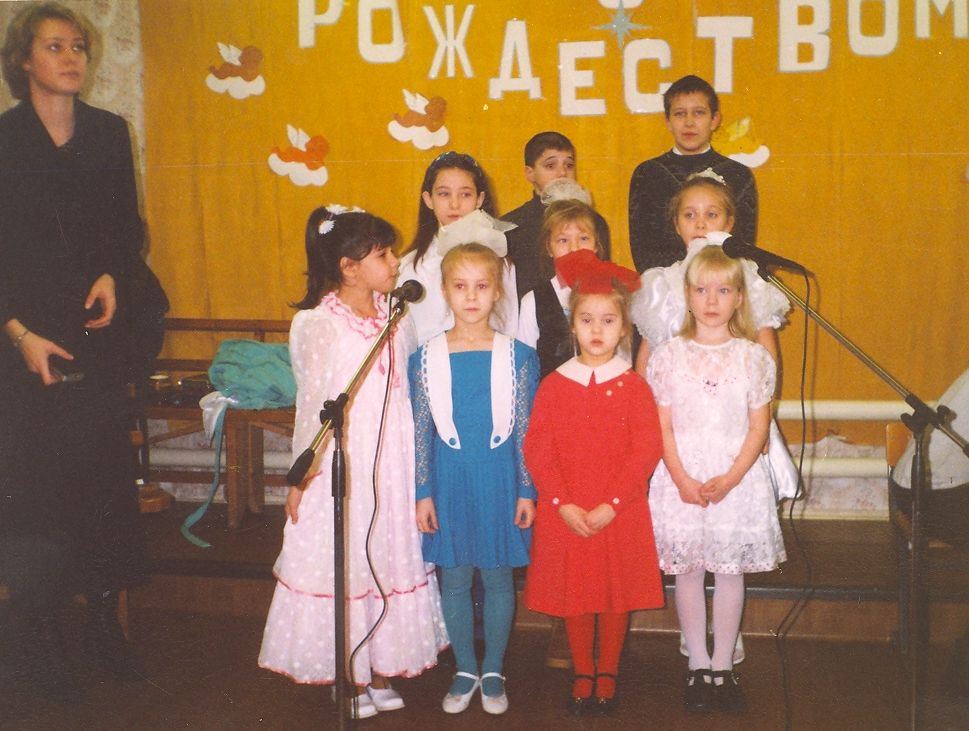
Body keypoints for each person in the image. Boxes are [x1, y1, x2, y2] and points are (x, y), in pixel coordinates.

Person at [0, 2, 147, 701]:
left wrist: (113, 272)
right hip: (22, 346)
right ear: (23, 60)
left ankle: (102, 628)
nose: (70, 57)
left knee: (104, 488)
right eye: (54, 46)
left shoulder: (108, 132)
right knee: (38, 500)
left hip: (95, 335)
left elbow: (126, 227)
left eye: (78, 46)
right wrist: (19, 334)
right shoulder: (4, 139)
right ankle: (38, 641)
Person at [258, 207, 447, 721]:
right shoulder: (318, 324)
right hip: (346, 464)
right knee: (350, 562)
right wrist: (302, 477)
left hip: (393, 463)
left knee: (385, 558)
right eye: (383, 254)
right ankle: (350, 674)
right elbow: (313, 406)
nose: (395, 262)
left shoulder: (396, 314)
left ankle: (380, 666)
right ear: (349, 267)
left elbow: (408, 391)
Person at [646, 245, 787, 714]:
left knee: (729, 572)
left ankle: (723, 666)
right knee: (688, 571)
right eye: (702, 290)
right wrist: (681, 478)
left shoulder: (753, 358)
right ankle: (697, 664)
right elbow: (662, 427)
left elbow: (758, 427)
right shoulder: (668, 356)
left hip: (736, 478)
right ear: (687, 295)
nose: (711, 300)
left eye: (723, 290)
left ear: (739, 298)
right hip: (681, 477)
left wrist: (730, 478)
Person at [523, 249, 664, 716]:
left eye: (608, 320)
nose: (597, 330)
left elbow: (645, 449)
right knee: (577, 590)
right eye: (587, 320)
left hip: (617, 510)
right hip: (569, 510)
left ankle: (609, 669)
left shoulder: (635, 386)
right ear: (573, 325)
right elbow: (538, 449)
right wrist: (561, 502)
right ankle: (583, 668)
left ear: (624, 328)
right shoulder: (555, 384)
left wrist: (614, 503)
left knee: (615, 592)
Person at [409, 242, 538, 716]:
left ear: (497, 291)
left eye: (482, 286)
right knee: (456, 578)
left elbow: (525, 431)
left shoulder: (519, 357)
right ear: (444, 291)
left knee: (499, 576)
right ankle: (465, 667)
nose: (471, 296)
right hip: (449, 481)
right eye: (460, 286)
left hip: (500, 480)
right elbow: (421, 431)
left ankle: (494, 669)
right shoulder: (425, 358)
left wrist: (527, 490)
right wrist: (424, 492)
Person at [628, 75, 758, 273]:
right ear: (668, 121)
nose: (689, 122)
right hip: (665, 283)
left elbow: (742, 246)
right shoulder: (647, 173)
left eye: (698, 113)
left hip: (723, 279)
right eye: (680, 114)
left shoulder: (738, 174)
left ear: (714, 120)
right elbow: (643, 252)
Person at [398, 150, 518, 343]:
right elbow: (406, 340)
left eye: (465, 194)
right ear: (428, 199)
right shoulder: (410, 266)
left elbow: (510, 328)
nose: (454, 204)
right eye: (444, 194)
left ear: (479, 199)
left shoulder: (500, 262)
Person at [502, 131, 611, 299]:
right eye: (551, 166)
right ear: (530, 173)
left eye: (569, 165)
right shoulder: (511, 226)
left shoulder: (594, 221)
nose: (562, 173)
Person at [517, 197, 610, 377]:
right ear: (549, 247)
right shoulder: (533, 301)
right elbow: (525, 367)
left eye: (583, 238)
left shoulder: (611, 296)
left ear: (596, 245)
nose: (574, 248)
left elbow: (622, 359)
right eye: (563, 240)